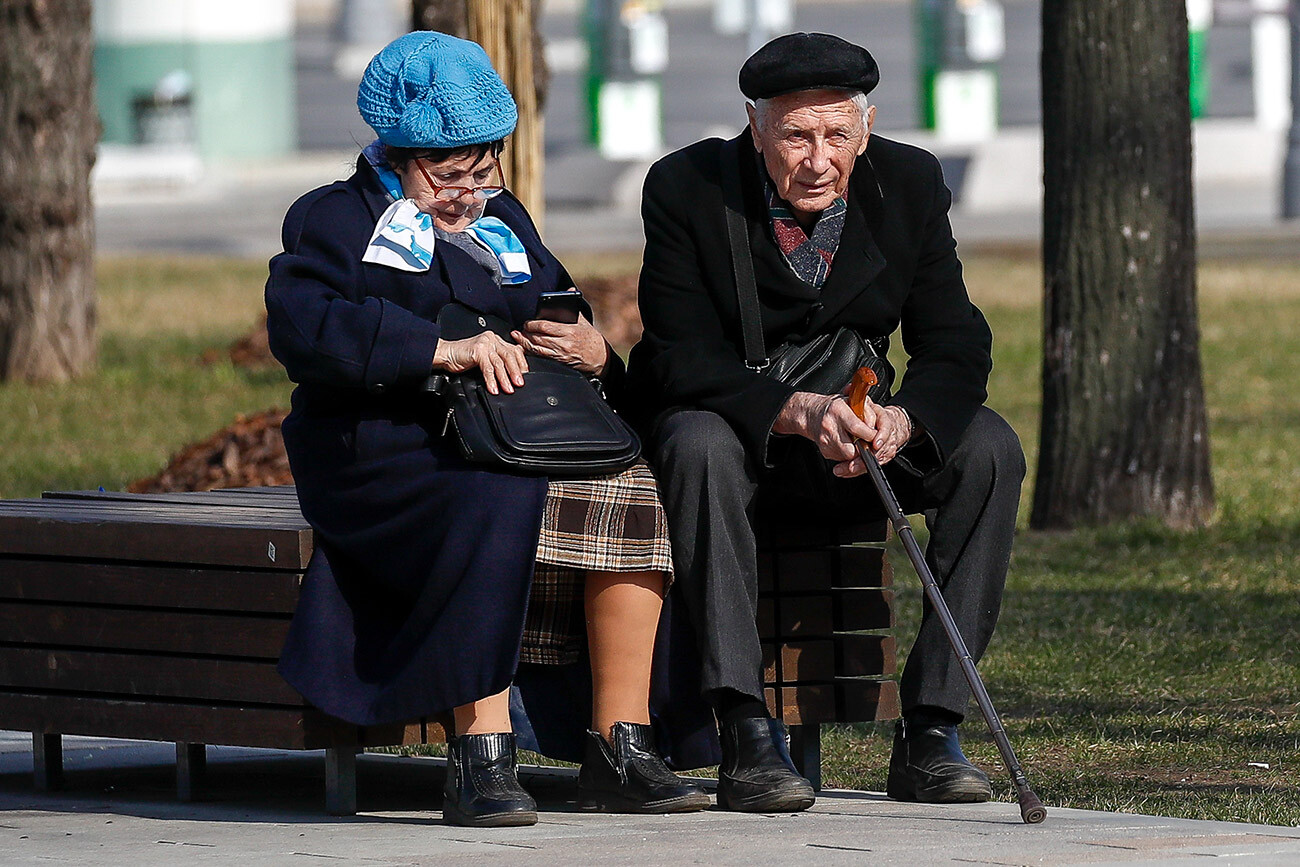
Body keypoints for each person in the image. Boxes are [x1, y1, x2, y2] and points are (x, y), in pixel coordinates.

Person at [265, 31, 708, 827]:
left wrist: (592, 348)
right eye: (448, 174)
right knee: (491, 498)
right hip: (382, 443)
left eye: (483, 168)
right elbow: (305, 327)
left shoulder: (502, 218)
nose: (470, 193)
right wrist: (438, 348)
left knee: (630, 488)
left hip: (504, 428)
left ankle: (621, 742)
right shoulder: (333, 218)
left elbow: (551, 300)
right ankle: (482, 755)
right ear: (395, 153)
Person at [626, 32, 1026, 812]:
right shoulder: (687, 187)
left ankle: (933, 727)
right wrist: (792, 411)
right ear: (755, 125)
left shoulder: (909, 181)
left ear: (866, 128)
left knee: (989, 448)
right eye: (795, 135)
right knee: (695, 440)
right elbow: (677, 354)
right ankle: (744, 729)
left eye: (837, 135)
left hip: (861, 442)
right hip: (745, 445)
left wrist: (904, 422)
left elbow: (956, 339)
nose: (817, 159)